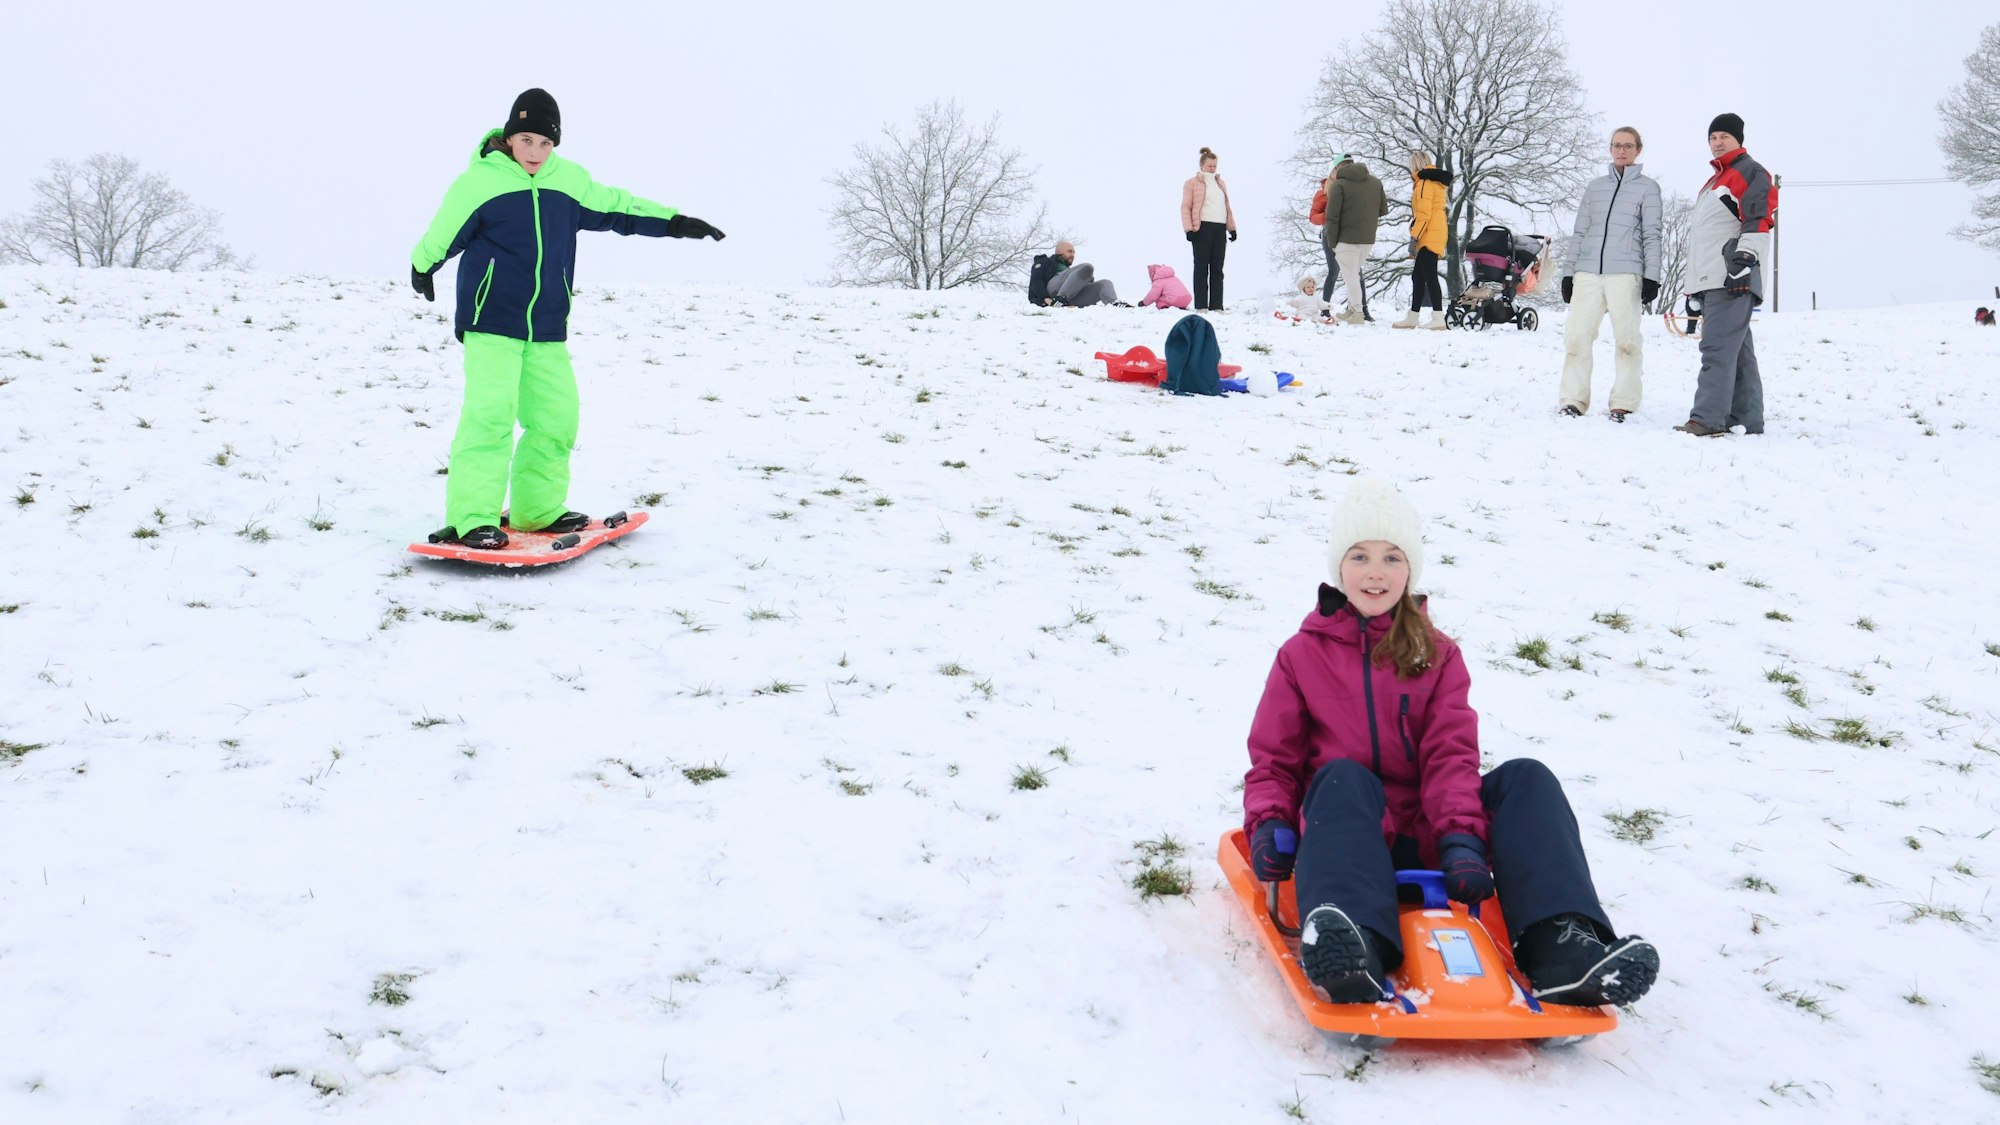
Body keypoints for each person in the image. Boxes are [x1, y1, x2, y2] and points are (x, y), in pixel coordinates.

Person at [1241, 478, 1661, 1007]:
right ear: (1337, 569)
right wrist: (1270, 823)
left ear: (1411, 570)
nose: (1376, 572)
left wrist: (1460, 838)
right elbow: (1273, 760)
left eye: (1393, 558)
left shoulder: (1437, 655)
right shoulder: (1301, 656)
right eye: (1360, 556)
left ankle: (1562, 946)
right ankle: (1355, 946)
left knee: (1526, 777)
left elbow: (1451, 755)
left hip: (1427, 833)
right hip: (1345, 838)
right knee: (1344, 776)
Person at [411, 88, 723, 549]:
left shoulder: (568, 181)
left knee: (556, 418)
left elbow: (620, 206)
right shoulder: (480, 182)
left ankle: (535, 510)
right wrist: (423, 266)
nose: (535, 152)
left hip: (547, 326)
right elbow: (444, 231)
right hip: (490, 319)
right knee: (489, 418)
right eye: (527, 139)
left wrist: (674, 221)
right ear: (510, 137)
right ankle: (470, 517)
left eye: (545, 143)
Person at [1675, 113, 1776, 437]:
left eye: (1724, 137)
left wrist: (1745, 257)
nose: (1717, 143)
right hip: (1713, 280)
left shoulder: (1749, 172)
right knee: (1738, 352)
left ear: (1738, 140)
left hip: (1732, 276)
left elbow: (1760, 217)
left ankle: (1706, 419)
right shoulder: (1716, 180)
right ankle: (1746, 418)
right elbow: (1706, 238)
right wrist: (1693, 290)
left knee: (1717, 349)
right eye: (1712, 137)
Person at [1558, 128, 1663, 421]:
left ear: (1638, 150)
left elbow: (1653, 234)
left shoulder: (1648, 188)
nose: (1621, 151)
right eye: (1617, 145)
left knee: (1627, 340)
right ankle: (1572, 399)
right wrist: (1569, 273)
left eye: (1628, 146)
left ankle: (1624, 402)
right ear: (1610, 149)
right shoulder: (1595, 188)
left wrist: (1651, 276)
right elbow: (1580, 232)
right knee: (1577, 337)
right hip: (1588, 273)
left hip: (1625, 274)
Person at [1322, 156, 1387, 325]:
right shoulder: (1376, 182)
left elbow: (1332, 216)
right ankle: (1352, 309)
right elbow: (1382, 209)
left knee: (1350, 276)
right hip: (1367, 237)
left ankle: (1357, 312)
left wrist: (1332, 242)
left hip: (1346, 238)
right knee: (1354, 274)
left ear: (1339, 168)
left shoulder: (1340, 184)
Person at [1393, 152, 1452, 330]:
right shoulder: (1434, 182)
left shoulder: (1424, 184)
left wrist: (1414, 236)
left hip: (1428, 234)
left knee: (1430, 276)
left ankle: (1438, 317)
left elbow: (1423, 215)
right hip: (1435, 231)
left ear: (1415, 165)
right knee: (1418, 276)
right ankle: (1413, 316)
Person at [1180, 147, 1238, 311]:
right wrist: (1189, 229)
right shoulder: (1191, 183)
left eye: (1215, 165)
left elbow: (1227, 207)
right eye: (1210, 165)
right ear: (1202, 165)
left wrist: (1231, 228)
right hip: (1202, 228)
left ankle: (1217, 305)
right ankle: (1201, 306)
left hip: (1219, 228)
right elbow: (1186, 207)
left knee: (1217, 268)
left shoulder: (1220, 183)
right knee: (1201, 267)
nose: (1213, 169)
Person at [1034, 241, 1119, 307]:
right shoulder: (1045, 261)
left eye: (1074, 253)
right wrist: (1045, 299)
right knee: (1087, 267)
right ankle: (1060, 299)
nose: (1073, 255)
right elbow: (1035, 281)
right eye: (1070, 252)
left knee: (1105, 283)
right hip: (1054, 290)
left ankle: (1113, 304)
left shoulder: (1069, 270)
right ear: (1059, 251)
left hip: (1071, 296)